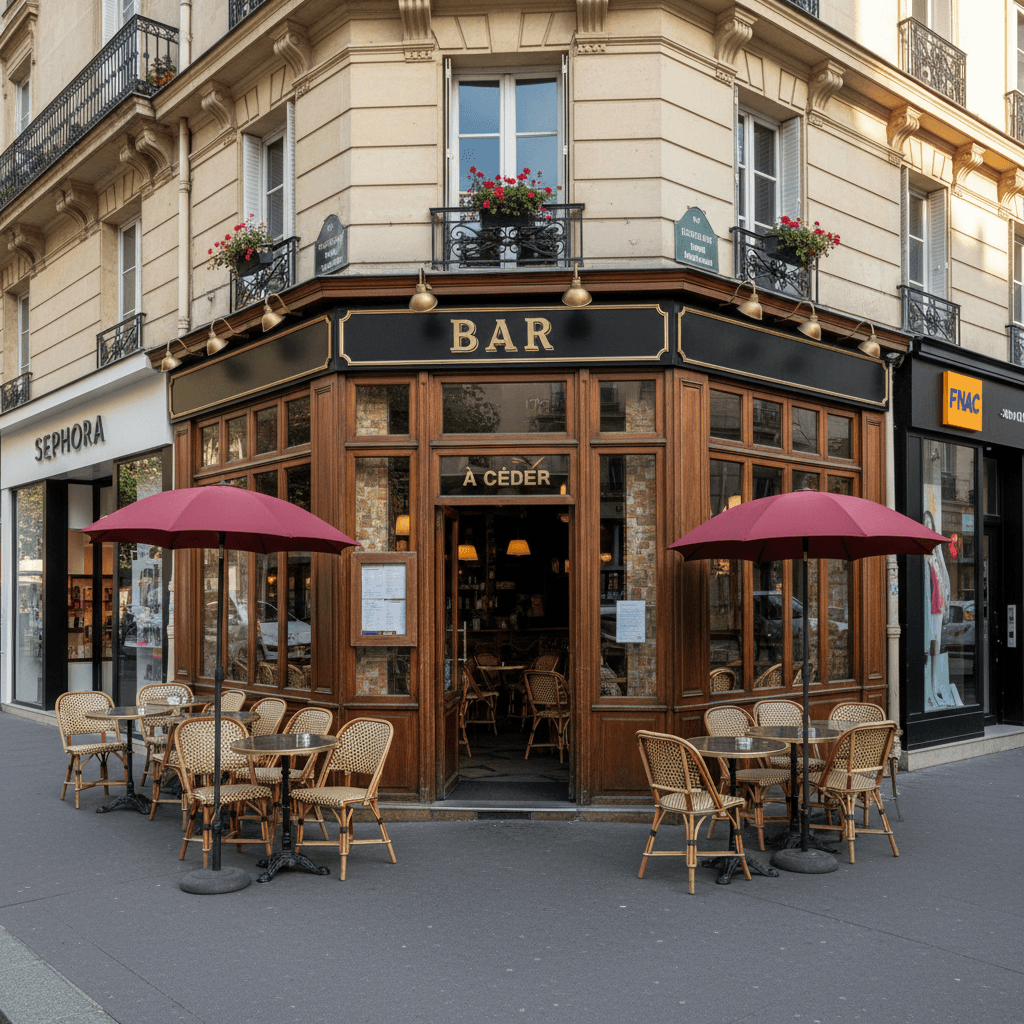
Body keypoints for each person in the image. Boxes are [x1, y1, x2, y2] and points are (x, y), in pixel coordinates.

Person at [923, 510, 959, 709]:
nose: (928, 528)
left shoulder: (937, 554)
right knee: (928, 646)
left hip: (937, 608)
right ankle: (928, 687)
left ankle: (935, 685)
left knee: (936, 646)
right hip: (927, 608)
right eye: (925, 524)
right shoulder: (923, 555)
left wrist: (945, 602)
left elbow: (943, 580)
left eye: (931, 525)